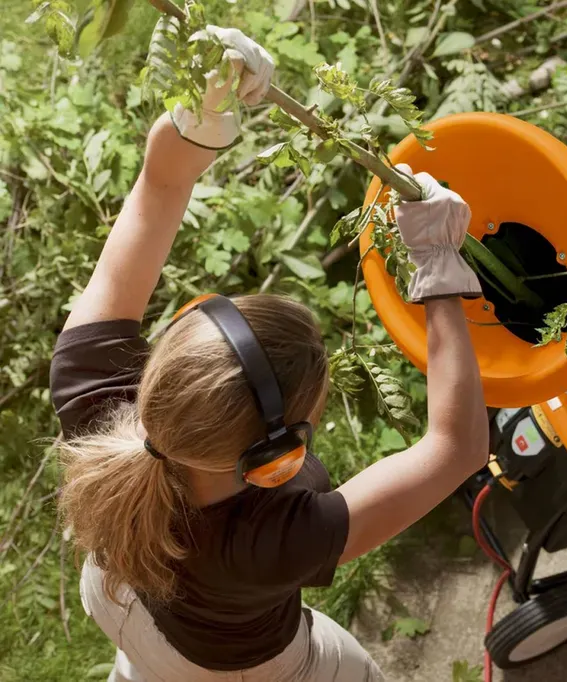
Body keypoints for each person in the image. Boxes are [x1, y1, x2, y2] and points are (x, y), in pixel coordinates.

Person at [50, 25, 488, 682]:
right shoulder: (273, 538)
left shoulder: (93, 396)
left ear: (169, 363)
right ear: (277, 460)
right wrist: (440, 265)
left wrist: (203, 111)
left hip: (118, 603)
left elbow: (159, 187)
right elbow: (458, 448)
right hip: (228, 666)